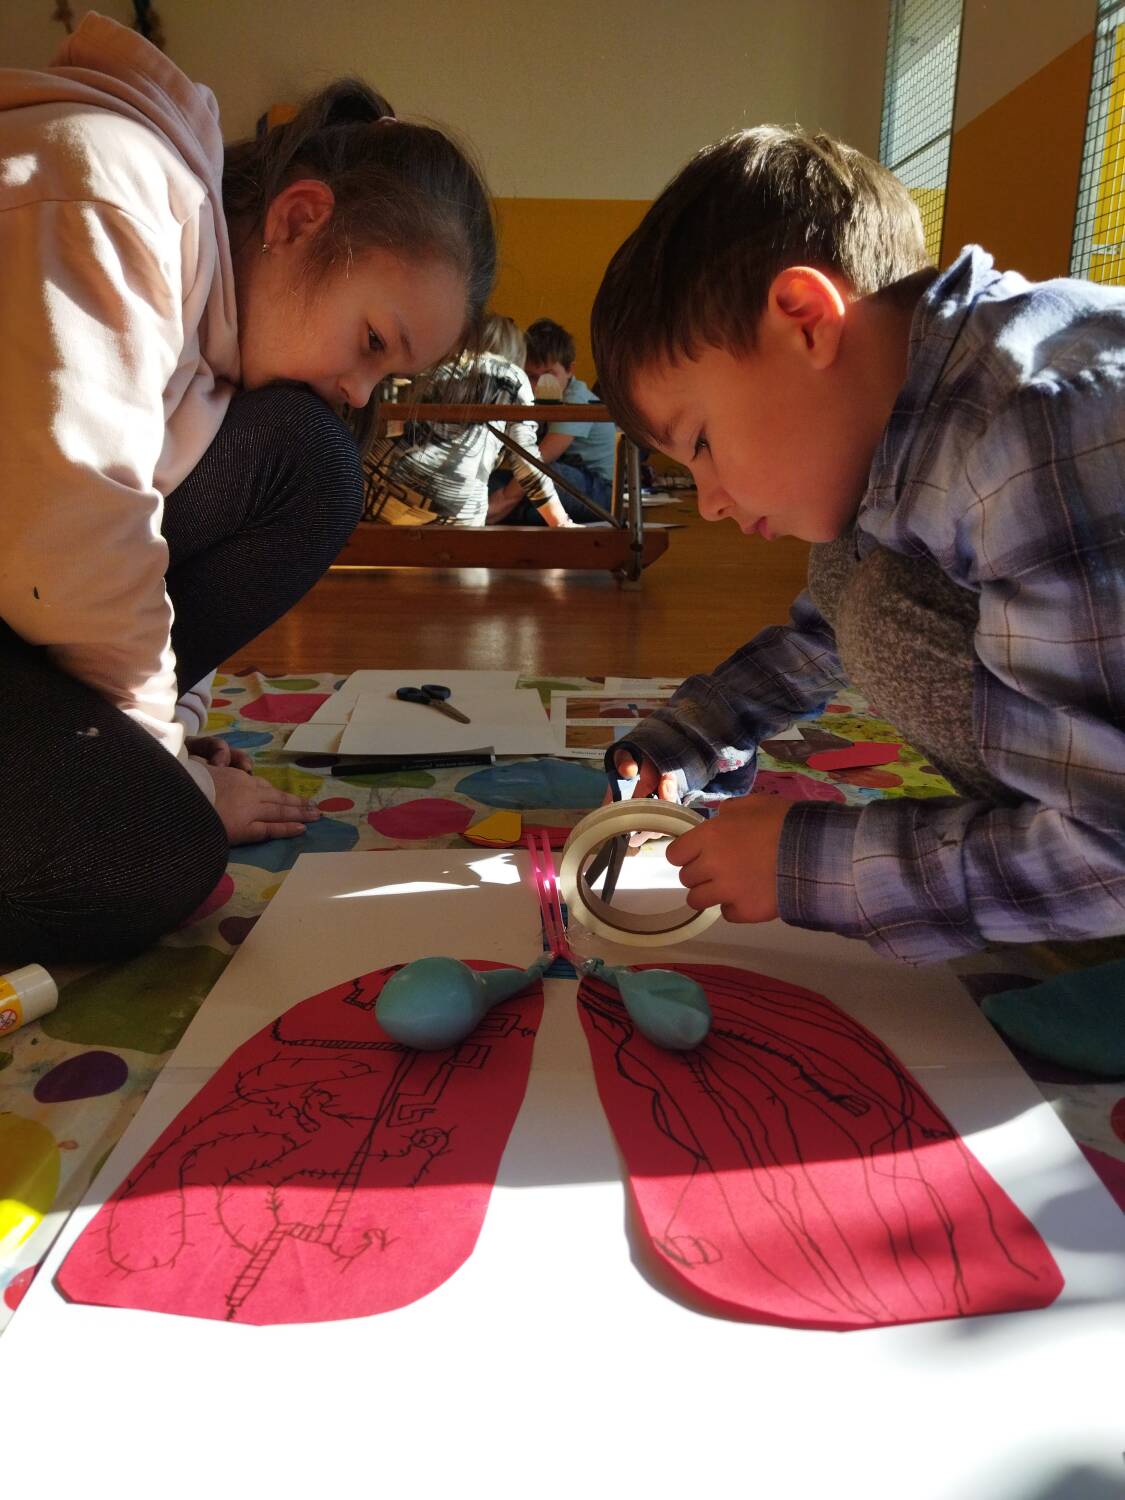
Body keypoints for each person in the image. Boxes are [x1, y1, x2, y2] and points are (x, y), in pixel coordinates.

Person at [0, 14, 495, 961]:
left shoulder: (226, 316)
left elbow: (148, 533)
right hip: (29, 570)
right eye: (372, 343)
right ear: (299, 219)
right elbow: (71, 531)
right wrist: (166, 771)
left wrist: (172, 730)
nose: (362, 391)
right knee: (155, 854)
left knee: (312, 464)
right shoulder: (110, 188)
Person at [590, 125, 1125, 965]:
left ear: (804, 320)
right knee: (855, 576)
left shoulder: (1034, 433)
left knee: (877, 607)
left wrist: (810, 865)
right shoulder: (922, 418)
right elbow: (823, 635)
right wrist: (697, 731)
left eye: (701, 443)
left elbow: (1114, 848)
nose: (712, 502)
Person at [364, 314, 574, 527]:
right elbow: (526, 459)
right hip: (454, 513)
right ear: (517, 352)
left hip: (375, 494)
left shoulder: (440, 363)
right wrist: (560, 522)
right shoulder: (513, 377)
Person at [496, 317, 616, 523]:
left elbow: (543, 456)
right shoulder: (530, 396)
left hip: (599, 491)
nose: (538, 385)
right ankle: (526, 513)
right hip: (549, 484)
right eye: (530, 376)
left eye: (549, 375)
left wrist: (506, 498)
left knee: (544, 472)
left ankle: (517, 511)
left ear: (570, 370)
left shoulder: (577, 399)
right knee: (492, 480)